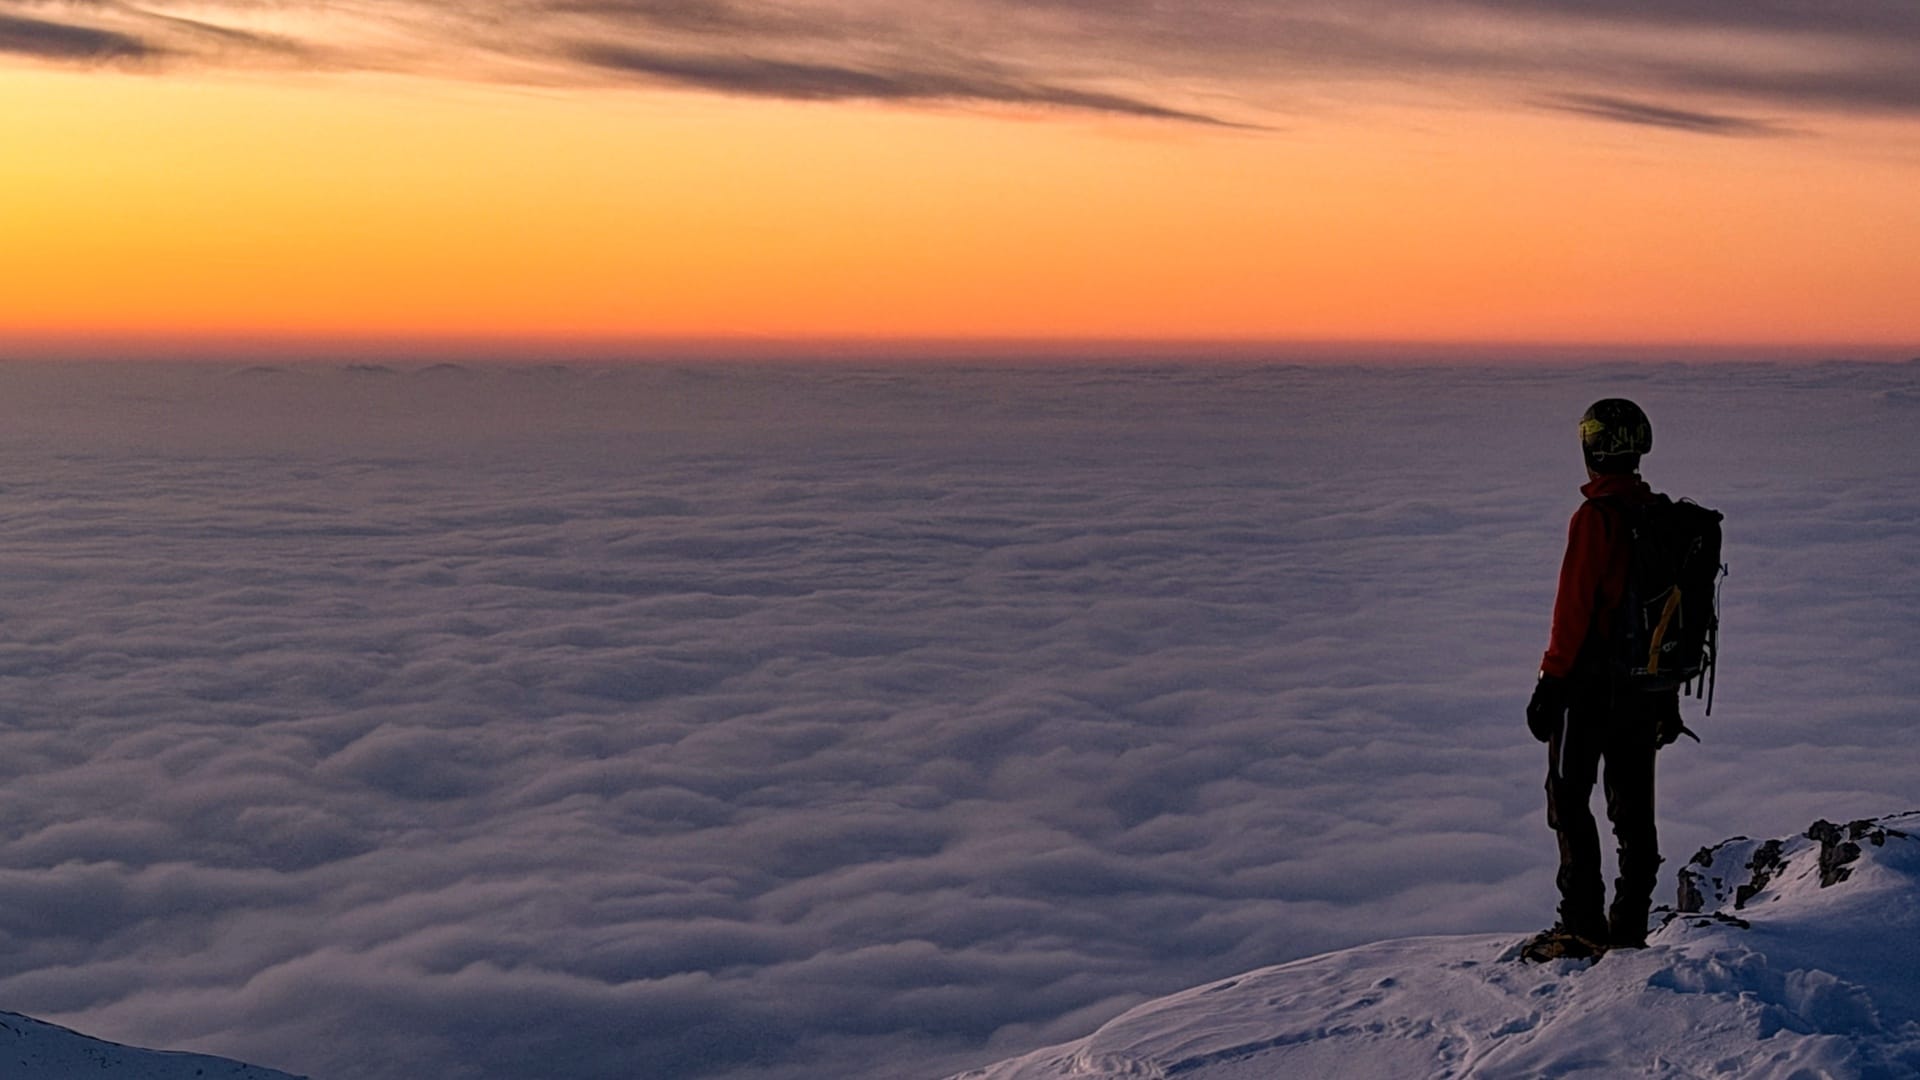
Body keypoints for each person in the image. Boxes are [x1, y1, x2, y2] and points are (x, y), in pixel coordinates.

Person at [1523, 398, 1687, 959]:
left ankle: (1582, 927)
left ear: (1591, 449)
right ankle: (1629, 926)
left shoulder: (1596, 518)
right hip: (1646, 688)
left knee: (1569, 800)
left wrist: (1550, 683)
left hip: (1588, 687)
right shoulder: (1660, 517)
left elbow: (1574, 609)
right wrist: (1665, 696)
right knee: (1633, 808)